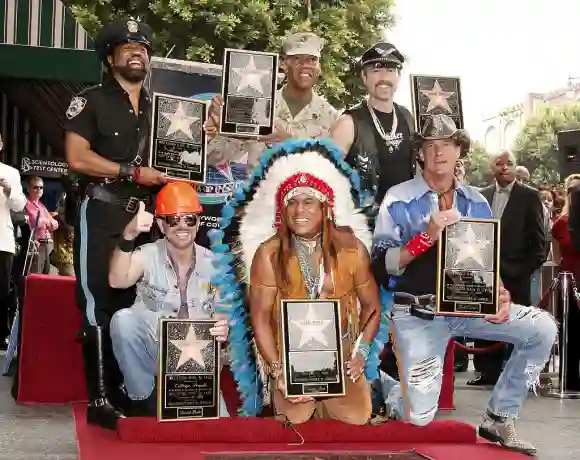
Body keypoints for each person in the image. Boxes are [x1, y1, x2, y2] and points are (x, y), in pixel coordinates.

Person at [372, 114, 557, 456]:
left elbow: (487, 264)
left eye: (447, 144)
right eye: (430, 145)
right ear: (420, 154)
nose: (438, 152)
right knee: (419, 417)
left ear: (460, 151)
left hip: (469, 308)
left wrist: (499, 294)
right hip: (417, 313)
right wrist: (424, 237)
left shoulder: (477, 201)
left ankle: (500, 416)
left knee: (543, 328)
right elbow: (382, 266)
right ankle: (383, 387)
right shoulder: (397, 198)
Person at [210, 139, 383, 424]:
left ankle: (341, 395)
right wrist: (278, 371)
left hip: (338, 353)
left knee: (356, 416)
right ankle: (295, 397)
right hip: (288, 357)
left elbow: (372, 307)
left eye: (308, 202)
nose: (298, 210)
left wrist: (361, 352)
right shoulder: (268, 253)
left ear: (325, 208)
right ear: (282, 210)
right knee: (298, 417)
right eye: (291, 202)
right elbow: (261, 318)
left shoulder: (352, 249)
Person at [63, 18, 167, 429]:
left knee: (139, 302)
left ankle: (132, 392)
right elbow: (77, 157)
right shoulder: (90, 101)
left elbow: (185, 159)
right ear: (110, 59)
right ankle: (100, 399)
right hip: (104, 210)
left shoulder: (164, 108)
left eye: (142, 48)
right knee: (99, 302)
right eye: (126, 48)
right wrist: (129, 172)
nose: (136, 53)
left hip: (148, 216)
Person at [108, 182, 229, 416]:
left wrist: (222, 326)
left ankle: (189, 400)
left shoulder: (216, 264)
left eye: (189, 219)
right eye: (173, 219)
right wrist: (128, 235)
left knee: (219, 432)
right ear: (162, 225)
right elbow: (117, 280)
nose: (182, 226)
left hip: (197, 362)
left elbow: (224, 309)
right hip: (156, 350)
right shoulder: (147, 254)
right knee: (123, 320)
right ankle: (143, 399)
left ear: (198, 223)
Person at [205, 32, 340, 168]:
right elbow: (215, 159)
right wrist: (217, 128)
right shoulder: (255, 107)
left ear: (319, 68)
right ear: (284, 64)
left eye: (312, 59)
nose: (305, 65)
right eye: (297, 58)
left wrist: (292, 144)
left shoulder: (333, 118)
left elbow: (335, 170)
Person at [472, 151, 548, 386]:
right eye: (499, 163)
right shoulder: (480, 196)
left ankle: (518, 375)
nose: (504, 168)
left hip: (516, 275)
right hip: (484, 274)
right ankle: (486, 372)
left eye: (510, 164)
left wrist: (522, 271)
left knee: (518, 325)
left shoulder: (530, 197)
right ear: (491, 167)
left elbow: (539, 243)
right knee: (483, 322)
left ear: (516, 167)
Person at [330, 42, 415, 224]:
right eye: (376, 70)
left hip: (406, 226)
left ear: (399, 76)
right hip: (363, 231)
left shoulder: (408, 118)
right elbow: (326, 178)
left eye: (391, 70)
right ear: (364, 76)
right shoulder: (348, 123)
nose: (384, 77)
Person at [0, 143, 26, 345]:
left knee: (2, 289)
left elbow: (20, 204)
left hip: (3, 239)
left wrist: (9, 190)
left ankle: (1, 334)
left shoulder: (11, 173)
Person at [24, 176, 58, 274]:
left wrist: (47, 221)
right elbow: (33, 221)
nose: (39, 189)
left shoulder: (41, 205)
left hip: (47, 245)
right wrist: (46, 221)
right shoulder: (26, 204)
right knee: (36, 277)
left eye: (41, 187)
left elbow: (55, 224)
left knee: (45, 279)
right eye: (35, 187)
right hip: (36, 245)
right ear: (28, 189)